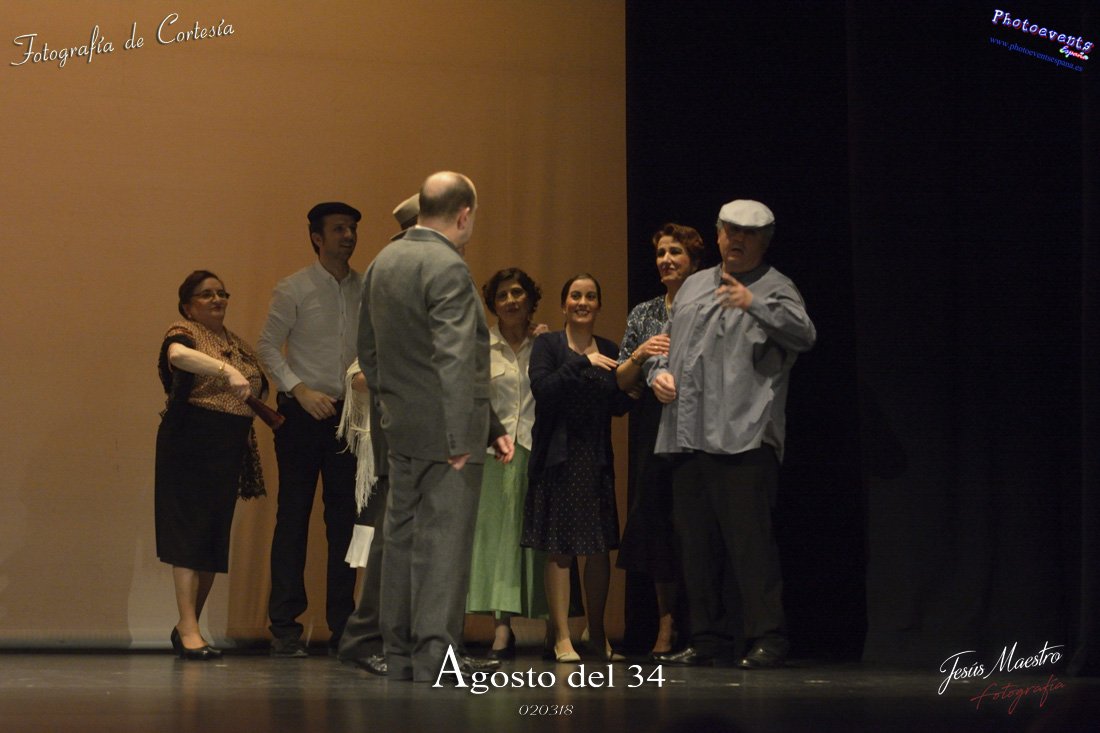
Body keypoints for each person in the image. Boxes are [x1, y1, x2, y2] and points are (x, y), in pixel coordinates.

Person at [358, 171, 514, 682]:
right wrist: (458, 433)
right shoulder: (447, 266)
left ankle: (401, 654)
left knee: (403, 543)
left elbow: (369, 351)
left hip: (402, 429)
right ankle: (437, 660)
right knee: (443, 548)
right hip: (447, 435)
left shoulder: (383, 262)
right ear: (464, 215)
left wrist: (486, 424)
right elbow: (455, 356)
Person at [648, 200, 816, 669]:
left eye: (749, 233)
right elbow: (666, 344)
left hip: (744, 436)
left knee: (750, 546)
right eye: (730, 230)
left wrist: (754, 303)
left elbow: (805, 336)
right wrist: (656, 373)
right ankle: (707, 638)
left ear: (764, 241)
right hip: (688, 434)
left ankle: (768, 637)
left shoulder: (776, 287)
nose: (738, 239)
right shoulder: (694, 285)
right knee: (696, 546)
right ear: (719, 234)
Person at [257, 201, 363, 657]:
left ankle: (343, 626)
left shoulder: (365, 288)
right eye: (339, 229)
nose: (348, 236)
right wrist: (299, 390)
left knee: (345, 524)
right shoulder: (294, 287)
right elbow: (266, 346)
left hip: (348, 416)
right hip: (301, 414)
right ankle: (285, 627)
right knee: (293, 518)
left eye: (352, 228)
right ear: (317, 238)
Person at [155, 270, 268, 660]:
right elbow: (177, 356)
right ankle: (189, 629)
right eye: (206, 295)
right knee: (189, 536)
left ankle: (187, 626)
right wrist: (226, 370)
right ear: (188, 306)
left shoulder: (236, 343)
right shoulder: (183, 332)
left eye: (222, 293)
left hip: (228, 446)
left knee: (211, 539)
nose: (217, 299)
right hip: (191, 441)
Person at [522, 274, 634, 663]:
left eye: (590, 296)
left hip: (595, 458)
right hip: (558, 459)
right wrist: (583, 363)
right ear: (564, 304)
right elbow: (543, 390)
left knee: (598, 549)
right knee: (561, 549)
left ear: (599, 305)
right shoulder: (549, 345)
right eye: (575, 296)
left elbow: (616, 404)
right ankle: (561, 637)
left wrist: (632, 386)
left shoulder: (610, 349)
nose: (583, 302)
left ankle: (597, 633)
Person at [336, 194, 417, 674]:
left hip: (417, 419)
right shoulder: (394, 275)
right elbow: (374, 355)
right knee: (392, 534)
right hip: (407, 420)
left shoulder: (405, 272)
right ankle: (371, 636)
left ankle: (410, 639)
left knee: (408, 536)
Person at [615, 223, 704, 657]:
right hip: (654, 425)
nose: (666, 260)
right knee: (656, 522)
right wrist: (641, 354)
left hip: (700, 423)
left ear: (694, 260)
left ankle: (705, 626)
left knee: (696, 523)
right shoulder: (645, 312)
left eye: (675, 252)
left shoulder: (707, 305)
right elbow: (621, 379)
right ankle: (666, 625)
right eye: (661, 253)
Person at [466, 268, 549, 660]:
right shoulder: (482, 345)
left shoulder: (546, 344)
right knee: (498, 543)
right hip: (495, 455)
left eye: (517, 292)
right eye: (502, 295)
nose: (511, 300)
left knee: (538, 542)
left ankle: (554, 630)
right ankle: (502, 631)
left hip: (537, 451)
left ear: (530, 299)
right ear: (493, 305)